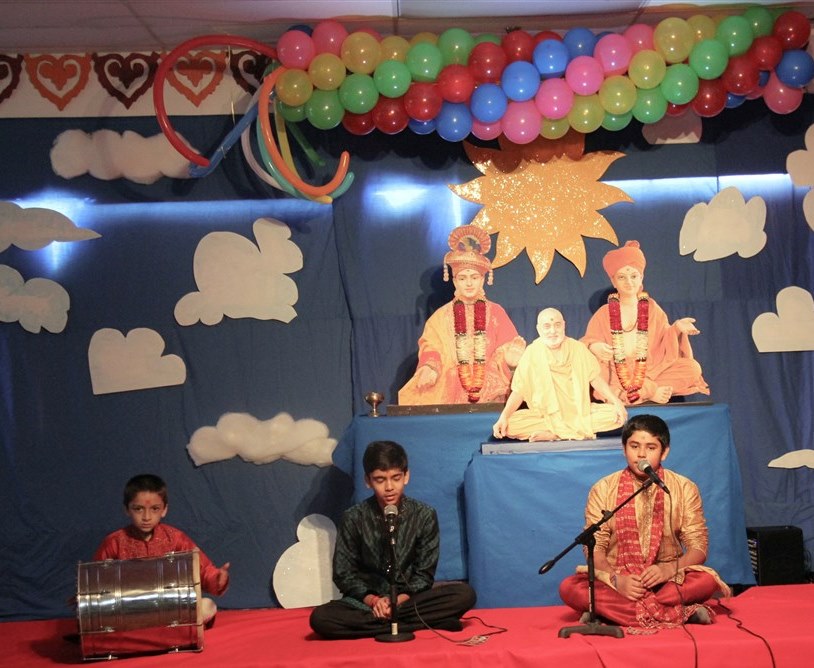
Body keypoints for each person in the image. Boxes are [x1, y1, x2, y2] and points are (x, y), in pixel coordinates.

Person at [558, 414, 730, 629]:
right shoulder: (603, 488)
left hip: (667, 581)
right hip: (618, 582)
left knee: (705, 582)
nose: (641, 454)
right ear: (624, 449)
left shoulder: (684, 488)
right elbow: (595, 547)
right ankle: (679, 612)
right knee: (570, 587)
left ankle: (610, 613)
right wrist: (617, 580)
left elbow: (699, 547)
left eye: (651, 447)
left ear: (664, 452)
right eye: (634, 446)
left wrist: (668, 570)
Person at [309, 441, 476, 639]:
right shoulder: (353, 517)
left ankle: (387, 623)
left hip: (408, 600)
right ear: (368, 481)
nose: (389, 487)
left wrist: (396, 601)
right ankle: (418, 623)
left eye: (395, 478)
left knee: (464, 595)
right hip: (366, 603)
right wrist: (374, 601)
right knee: (321, 618)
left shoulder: (424, 515)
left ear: (406, 476)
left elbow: (423, 576)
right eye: (380, 480)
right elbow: (343, 574)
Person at [398, 225, 525, 405]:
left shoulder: (496, 312)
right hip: (449, 384)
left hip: (490, 387)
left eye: (474, 277)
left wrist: (510, 362)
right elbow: (431, 347)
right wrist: (429, 367)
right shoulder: (441, 316)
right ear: (454, 281)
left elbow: (507, 347)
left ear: (483, 279)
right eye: (463, 278)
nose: (469, 284)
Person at [582, 241, 710, 405]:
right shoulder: (603, 313)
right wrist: (593, 346)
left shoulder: (652, 308)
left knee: (692, 368)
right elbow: (585, 343)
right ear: (613, 281)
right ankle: (649, 393)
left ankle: (634, 395)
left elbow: (664, 341)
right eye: (622, 277)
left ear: (641, 277)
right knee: (593, 370)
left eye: (633, 276)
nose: (629, 282)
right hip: (616, 375)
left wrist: (677, 328)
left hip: (650, 372)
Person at [93, 473, 230, 624]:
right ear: (127, 509)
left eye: (154, 509)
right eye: (138, 509)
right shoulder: (114, 542)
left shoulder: (176, 538)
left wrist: (217, 579)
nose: (146, 517)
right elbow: (95, 582)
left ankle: (163, 627)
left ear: (164, 510)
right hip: (129, 611)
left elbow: (203, 569)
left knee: (207, 605)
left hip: (169, 608)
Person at [492, 308, 627, 441]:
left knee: (613, 415)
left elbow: (595, 379)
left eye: (557, 325)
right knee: (511, 425)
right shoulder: (532, 353)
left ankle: (555, 434)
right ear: (539, 329)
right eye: (547, 326)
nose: (553, 331)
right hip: (546, 416)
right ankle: (567, 432)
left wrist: (616, 402)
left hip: (578, 412)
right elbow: (519, 391)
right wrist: (504, 416)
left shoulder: (577, 348)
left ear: (564, 325)